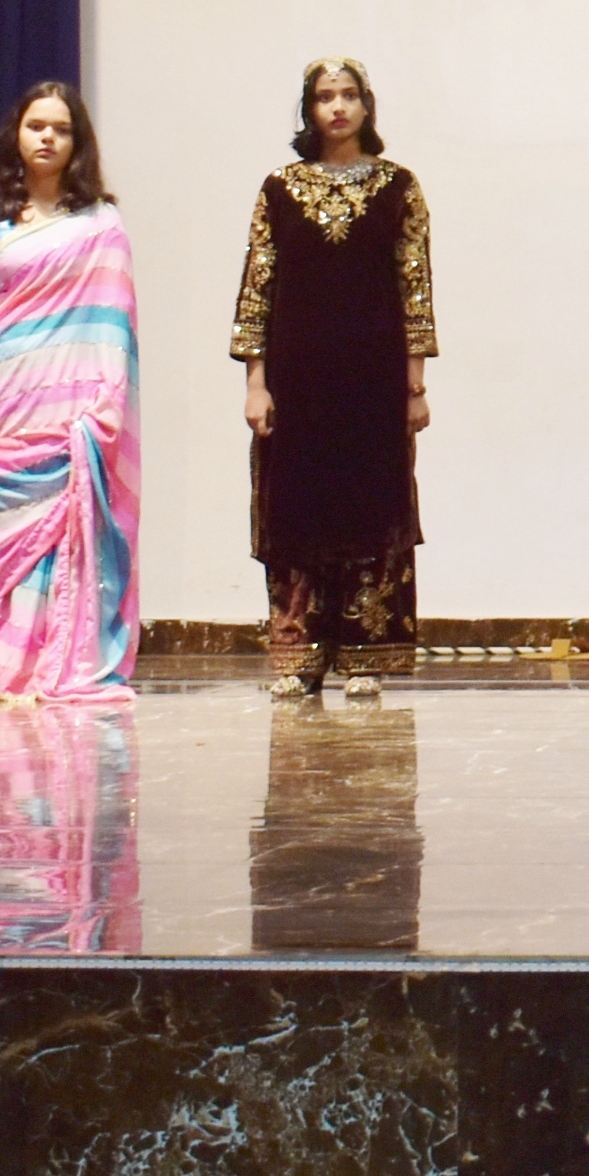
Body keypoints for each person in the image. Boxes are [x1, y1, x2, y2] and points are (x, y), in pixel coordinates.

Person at [229, 58, 435, 702]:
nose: (338, 107)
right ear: (309, 109)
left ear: (367, 105)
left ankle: (366, 655)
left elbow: (415, 288)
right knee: (297, 509)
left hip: (374, 382)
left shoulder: (399, 187)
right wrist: (256, 382)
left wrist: (415, 386)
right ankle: (301, 655)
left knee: (372, 507)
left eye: (349, 95)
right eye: (325, 97)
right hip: (297, 383)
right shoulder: (279, 189)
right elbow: (257, 289)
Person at [0, 81, 140, 700]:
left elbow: (113, 323)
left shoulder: (101, 224)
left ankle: (63, 662)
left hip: (74, 411)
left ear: (78, 143)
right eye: (36, 126)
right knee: (2, 536)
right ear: (17, 136)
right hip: (3, 403)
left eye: (61, 128)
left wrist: (103, 405)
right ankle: (9, 662)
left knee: (68, 530)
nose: (48, 138)